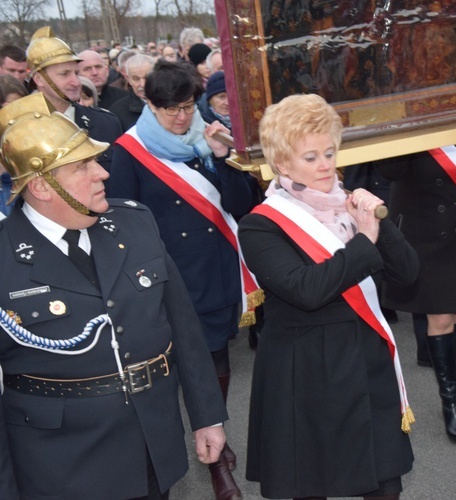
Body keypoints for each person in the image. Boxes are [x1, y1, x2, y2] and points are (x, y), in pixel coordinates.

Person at [0, 92, 227, 499]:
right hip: (60, 463)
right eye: (82, 166)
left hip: (151, 442)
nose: (101, 173)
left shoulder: (134, 223)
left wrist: (207, 416)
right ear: (40, 185)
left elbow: (184, 331)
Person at [239, 93, 415, 499]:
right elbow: (307, 290)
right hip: (304, 370)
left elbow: (407, 275)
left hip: (364, 361)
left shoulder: (353, 205)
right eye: (310, 157)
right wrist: (365, 240)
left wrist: (378, 225)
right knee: (309, 484)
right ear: (282, 163)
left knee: (383, 485)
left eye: (329, 152)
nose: (325, 166)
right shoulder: (261, 225)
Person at [107, 60, 253, 500]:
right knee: (175, 372)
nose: (180, 117)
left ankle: (217, 444)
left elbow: (242, 205)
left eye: (187, 105)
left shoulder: (210, 138)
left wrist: (225, 160)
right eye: (169, 108)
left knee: (216, 362)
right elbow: (120, 222)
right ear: (148, 104)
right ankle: (197, 457)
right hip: (167, 278)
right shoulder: (128, 151)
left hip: (215, 268)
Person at [378, 138, 456, 443]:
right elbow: (388, 169)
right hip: (423, 235)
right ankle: (451, 400)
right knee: (442, 317)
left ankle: (451, 390)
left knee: (454, 314)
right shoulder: (410, 127)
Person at [26, 27, 123, 173]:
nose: (76, 82)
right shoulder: (23, 131)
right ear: (39, 79)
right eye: (64, 74)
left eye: (76, 73)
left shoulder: (106, 122)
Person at [110, 53, 156, 130]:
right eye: (136, 79)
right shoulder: (117, 112)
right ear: (128, 79)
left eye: (147, 77)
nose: (142, 84)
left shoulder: (171, 101)